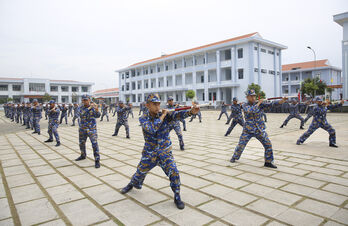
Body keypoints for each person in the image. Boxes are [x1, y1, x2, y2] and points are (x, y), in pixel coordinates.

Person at [120, 93, 200, 210]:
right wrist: (162, 116)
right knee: (140, 171)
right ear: (148, 105)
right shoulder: (143, 118)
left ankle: (177, 195)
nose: (158, 107)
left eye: (158, 104)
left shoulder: (167, 115)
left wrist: (191, 112)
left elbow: (178, 115)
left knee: (174, 173)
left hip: (165, 152)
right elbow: (152, 129)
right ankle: (132, 184)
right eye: (154, 104)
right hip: (150, 153)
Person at [230, 90, 287, 168]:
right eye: (251, 96)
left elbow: (272, 104)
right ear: (247, 97)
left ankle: (268, 161)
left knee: (268, 145)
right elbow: (250, 111)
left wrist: (282, 101)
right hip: (248, 130)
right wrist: (259, 103)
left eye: (254, 96)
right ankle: (235, 157)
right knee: (241, 145)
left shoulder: (261, 104)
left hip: (259, 129)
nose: (253, 98)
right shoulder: (244, 105)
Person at [75, 95, 101, 168]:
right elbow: (81, 114)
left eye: (86, 100)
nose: (85, 101)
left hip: (92, 129)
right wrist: (90, 108)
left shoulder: (93, 107)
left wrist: (96, 110)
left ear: (89, 100)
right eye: (83, 100)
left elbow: (98, 116)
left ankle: (97, 160)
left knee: (94, 144)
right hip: (82, 129)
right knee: (81, 143)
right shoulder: (80, 107)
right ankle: (83, 155)